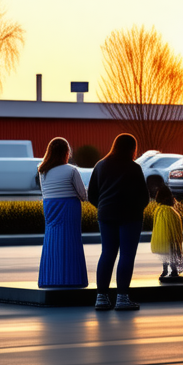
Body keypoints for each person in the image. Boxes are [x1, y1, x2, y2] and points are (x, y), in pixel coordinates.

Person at [88, 133, 149, 311]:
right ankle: (122, 298)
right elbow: (144, 197)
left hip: (106, 215)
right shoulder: (134, 168)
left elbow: (92, 194)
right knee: (126, 255)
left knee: (107, 253)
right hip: (130, 217)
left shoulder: (100, 165)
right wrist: (136, 208)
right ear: (132, 148)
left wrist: (103, 206)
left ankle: (101, 298)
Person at [37, 137, 89, 287]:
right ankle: (73, 279)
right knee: (71, 241)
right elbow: (83, 195)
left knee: (51, 240)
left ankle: (49, 279)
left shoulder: (42, 170)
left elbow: (44, 192)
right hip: (69, 207)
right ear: (66, 152)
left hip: (49, 205)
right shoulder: (71, 170)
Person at [150, 185, 183, 281]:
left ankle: (165, 270)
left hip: (162, 239)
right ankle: (174, 271)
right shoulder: (171, 211)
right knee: (172, 254)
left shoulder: (159, 210)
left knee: (165, 255)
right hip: (171, 239)